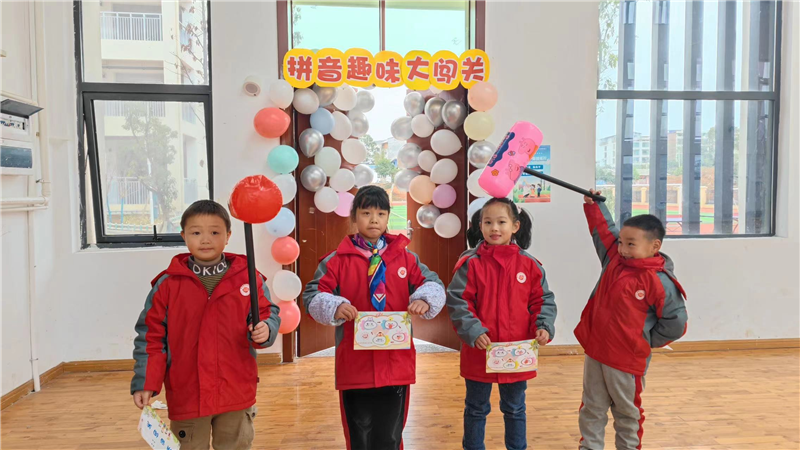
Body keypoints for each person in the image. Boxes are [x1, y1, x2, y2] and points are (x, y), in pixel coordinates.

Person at [303, 185, 446, 450]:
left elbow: (432, 283)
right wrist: (334, 306)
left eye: (381, 213)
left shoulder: (406, 258)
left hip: (396, 364)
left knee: (390, 435)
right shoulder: (336, 261)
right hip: (354, 365)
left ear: (388, 217)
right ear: (354, 217)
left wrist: (425, 299)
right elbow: (312, 295)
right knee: (359, 435)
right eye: (366, 213)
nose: (374, 220)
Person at [131, 200, 281, 450]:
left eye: (214, 232)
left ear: (228, 236)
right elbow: (151, 337)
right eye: (196, 233)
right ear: (183, 236)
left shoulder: (248, 278)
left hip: (235, 390)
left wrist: (266, 328)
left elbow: (267, 313)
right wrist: (146, 381)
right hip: (188, 393)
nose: (205, 239)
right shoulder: (168, 284)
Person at [577, 190, 688, 450]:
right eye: (621, 243)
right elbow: (604, 230)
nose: (622, 249)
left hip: (627, 360)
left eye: (630, 244)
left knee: (627, 413)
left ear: (654, 246)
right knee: (591, 407)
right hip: (596, 352)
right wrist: (595, 205)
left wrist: (643, 340)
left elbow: (676, 323)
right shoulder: (614, 260)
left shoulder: (659, 282)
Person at [447, 197, 557, 450]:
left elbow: (543, 301)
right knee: (476, 408)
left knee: (515, 408)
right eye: (488, 222)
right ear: (480, 226)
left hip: (517, 352)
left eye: (501, 222)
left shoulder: (530, 265)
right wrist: (473, 330)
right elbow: (458, 301)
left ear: (515, 226)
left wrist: (543, 325)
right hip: (479, 350)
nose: (494, 228)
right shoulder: (471, 263)